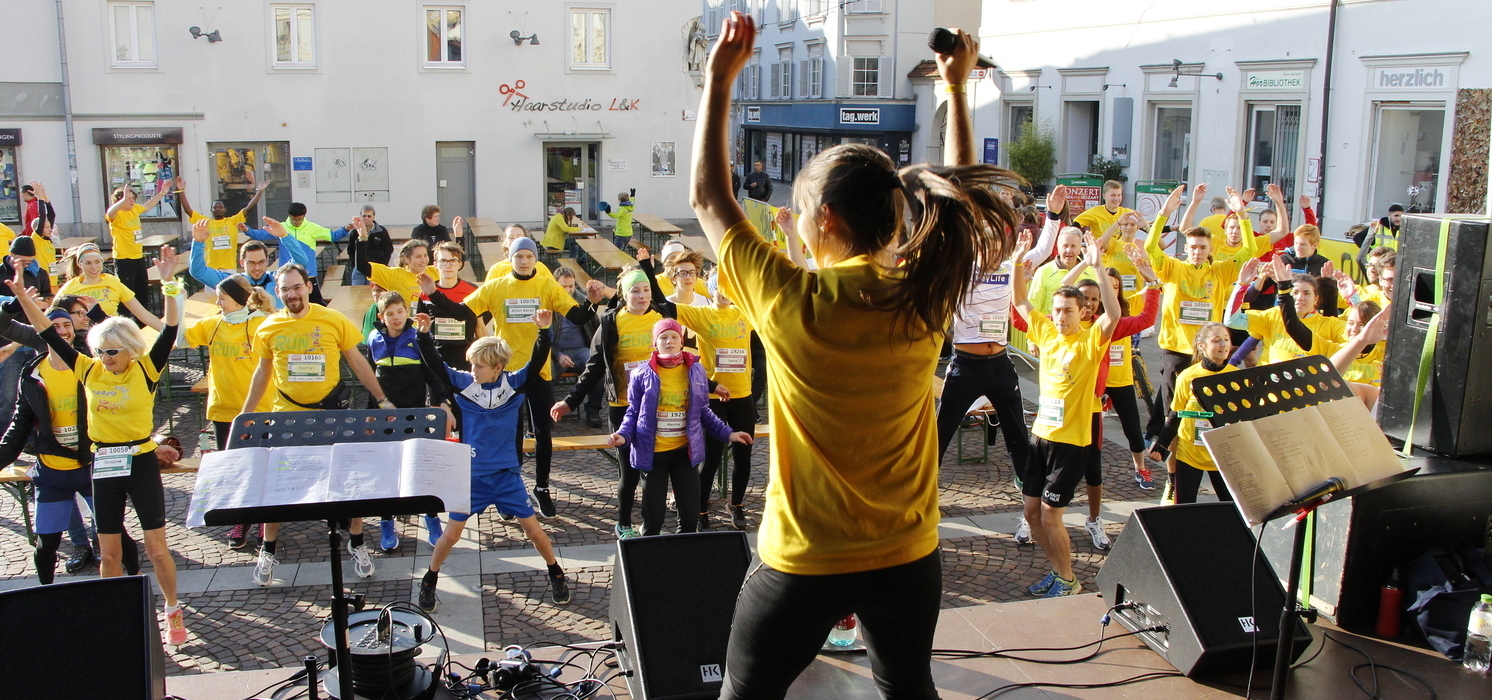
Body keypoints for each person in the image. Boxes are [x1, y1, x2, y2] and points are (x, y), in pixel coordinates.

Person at [693, 17, 1018, 697]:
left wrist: (719, 79)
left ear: (826, 221)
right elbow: (958, 205)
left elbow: (709, 199)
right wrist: (957, 88)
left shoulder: (790, 300)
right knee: (908, 688)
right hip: (906, 555)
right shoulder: (923, 295)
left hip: (803, 559)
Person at [9, 249, 189, 645]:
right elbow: (46, 332)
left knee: (157, 549)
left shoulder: (146, 368)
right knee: (108, 552)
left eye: (112, 351)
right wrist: (22, 296)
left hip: (140, 461)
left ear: (129, 349)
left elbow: (170, 330)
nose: (105, 358)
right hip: (104, 462)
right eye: (100, 350)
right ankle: (115, 614)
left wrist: (169, 283)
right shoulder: (88, 368)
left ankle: (172, 608)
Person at [427, 236, 604, 518]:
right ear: (510, 259)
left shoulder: (546, 285)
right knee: (511, 434)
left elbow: (578, 316)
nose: (523, 261)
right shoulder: (496, 286)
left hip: (538, 370)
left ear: (535, 260)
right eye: (518, 256)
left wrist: (593, 303)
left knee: (543, 431)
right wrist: (433, 294)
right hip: (505, 373)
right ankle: (510, 491)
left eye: (529, 256)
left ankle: (542, 487)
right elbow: (461, 313)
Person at [239, 263, 393, 586]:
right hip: (288, 416)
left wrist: (381, 398)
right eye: (285, 289)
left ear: (309, 287)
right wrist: (246, 414)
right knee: (279, 485)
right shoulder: (268, 327)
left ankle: (357, 543)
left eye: (297, 287)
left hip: (331, 414)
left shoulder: (333, 319)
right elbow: (262, 373)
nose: (292, 294)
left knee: (350, 482)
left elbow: (357, 361)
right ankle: (268, 549)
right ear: (277, 292)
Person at [413, 309, 572, 612]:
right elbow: (436, 365)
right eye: (472, 364)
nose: (473, 370)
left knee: (534, 531)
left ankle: (556, 572)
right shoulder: (465, 383)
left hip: (506, 476)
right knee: (451, 534)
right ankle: (430, 579)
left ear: (498, 367)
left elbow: (537, 361)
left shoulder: (514, 384)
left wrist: (544, 331)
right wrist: (423, 335)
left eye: (480, 365)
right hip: (472, 477)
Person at [1011, 230, 1121, 597]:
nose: (1060, 316)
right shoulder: (1045, 331)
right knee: (1031, 513)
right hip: (1041, 437)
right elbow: (1021, 300)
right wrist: (1017, 263)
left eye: (1068, 311)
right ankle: (1058, 572)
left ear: (1082, 312)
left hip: (1072, 443)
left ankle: (1069, 579)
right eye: (1057, 310)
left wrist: (1098, 267)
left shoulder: (1090, 340)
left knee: (1049, 514)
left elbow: (1114, 314)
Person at [1141, 185, 1262, 454]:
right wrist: (1164, 212)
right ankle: (1170, 455)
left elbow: (1249, 251)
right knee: (1174, 407)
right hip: (1176, 349)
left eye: (1202, 247)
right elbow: (1150, 247)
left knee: (1202, 403)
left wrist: (1242, 215)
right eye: (1193, 247)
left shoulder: (1219, 271)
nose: (1197, 251)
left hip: (1206, 352)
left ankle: (1202, 447)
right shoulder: (1174, 267)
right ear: (1186, 248)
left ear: (1210, 249)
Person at [609, 319, 752, 536]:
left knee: (689, 520)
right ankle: (650, 552)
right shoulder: (641, 374)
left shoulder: (696, 371)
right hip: (653, 456)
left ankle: (683, 554)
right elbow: (633, 413)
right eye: (663, 337)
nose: (669, 341)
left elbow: (704, 412)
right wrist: (623, 435)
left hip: (684, 454)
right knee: (654, 521)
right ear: (655, 343)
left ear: (681, 341)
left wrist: (728, 434)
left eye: (674, 337)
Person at [550, 269, 662, 537]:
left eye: (646, 290)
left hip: (659, 407)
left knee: (654, 469)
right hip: (624, 406)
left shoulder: (662, 318)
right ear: (624, 294)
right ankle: (624, 523)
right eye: (635, 291)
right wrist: (570, 401)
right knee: (629, 471)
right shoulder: (612, 322)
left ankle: (651, 525)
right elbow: (594, 367)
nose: (642, 296)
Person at [182, 273, 276, 549]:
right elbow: (179, 338)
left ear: (237, 300)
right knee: (234, 467)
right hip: (223, 410)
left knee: (262, 464)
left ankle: (265, 516)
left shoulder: (262, 323)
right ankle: (241, 518)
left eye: (221, 298)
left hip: (260, 409)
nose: (217, 303)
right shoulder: (213, 324)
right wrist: (174, 298)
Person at [365, 291, 450, 552]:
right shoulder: (373, 339)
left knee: (421, 469)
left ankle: (431, 517)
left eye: (400, 311)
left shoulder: (417, 337)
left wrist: (444, 401)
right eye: (390, 314)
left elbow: (433, 373)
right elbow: (370, 378)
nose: (396, 317)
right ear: (382, 317)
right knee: (387, 471)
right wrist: (370, 414)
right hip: (386, 417)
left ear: (407, 312)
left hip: (415, 415)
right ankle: (386, 521)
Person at [682, 274, 757, 531]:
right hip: (713, 398)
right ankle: (701, 510)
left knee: (744, 455)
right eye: (720, 288)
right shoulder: (701, 314)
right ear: (711, 290)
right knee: (711, 458)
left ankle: (737, 504)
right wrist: (648, 267)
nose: (725, 293)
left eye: (730, 287)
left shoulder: (745, 312)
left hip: (743, 396)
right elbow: (663, 306)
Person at [1149, 322, 1236, 504]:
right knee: (1184, 507)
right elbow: (1176, 415)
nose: (1223, 345)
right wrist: (1161, 444)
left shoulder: (1237, 376)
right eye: (1216, 340)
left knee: (1232, 507)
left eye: (1226, 339)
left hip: (1222, 454)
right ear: (1202, 346)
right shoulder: (1187, 376)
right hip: (1190, 454)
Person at [188, 216, 315, 309]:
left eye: (261, 262)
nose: (257, 268)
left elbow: (301, 262)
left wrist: (284, 236)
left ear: (267, 261)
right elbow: (198, 271)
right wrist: (198, 242)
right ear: (242, 262)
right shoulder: (232, 283)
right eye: (251, 263)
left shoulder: (277, 278)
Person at [177, 174, 270, 272]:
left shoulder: (233, 221)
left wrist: (260, 191)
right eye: (215, 207)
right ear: (211, 210)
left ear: (225, 210)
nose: (218, 209)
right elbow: (188, 210)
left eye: (221, 207)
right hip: (211, 268)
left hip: (229, 268)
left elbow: (248, 208)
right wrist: (181, 191)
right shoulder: (205, 222)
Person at [56, 244, 164, 327]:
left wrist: (169, 334)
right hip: (81, 339)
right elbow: (53, 315)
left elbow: (144, 314)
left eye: (97, 262)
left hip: (110, 334)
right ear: (80, 264)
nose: (94, 267)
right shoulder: (69, 287)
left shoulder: (113, 283)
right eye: (88, 263)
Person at [104, 184, 172, 304]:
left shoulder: (134, 209)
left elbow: (147, 206)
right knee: (127, 295)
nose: (132, 201)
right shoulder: (117, 214)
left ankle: (143, 315)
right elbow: (109, 213)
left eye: (132, 198)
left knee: (142, 293)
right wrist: (123, 200)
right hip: (124, 259)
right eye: (128, 198)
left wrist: (162, 193)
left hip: (138, 257)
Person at [552, 267, 603, 428]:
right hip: (555, 352)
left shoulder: (583, 302)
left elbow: (596, 327)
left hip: (581, 350)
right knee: (544, 374)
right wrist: (558, 355)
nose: (568, 290)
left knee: (597, 370)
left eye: (571, 286)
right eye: (563, 287)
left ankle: (593, 411)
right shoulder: (549, 302)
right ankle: (548, 412)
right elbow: (543, 337)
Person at [425, 242, 484, 370]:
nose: (448, 265)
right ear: (435, 265)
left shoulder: (472, 291)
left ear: (460, 264)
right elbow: (420, 328)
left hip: (466, 359)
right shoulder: (425, 292)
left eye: (453, 261)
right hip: (437, 360)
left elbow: (480, 327)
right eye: (443, 261)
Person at [350, 220, 435, 307]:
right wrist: (363, 238)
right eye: (418, 256)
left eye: (425, 255)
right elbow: (362, 266)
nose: (423, 260)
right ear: (407, 259)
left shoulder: (435, 272)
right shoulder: (394, 275)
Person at [485, 225, 557, 282]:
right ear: (505, 243)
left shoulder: (540, 267)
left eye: (519, 237)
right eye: (511, 237)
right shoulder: (496, 269)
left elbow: (554, 290)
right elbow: (487, 293)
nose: (515, 240)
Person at [341, 206, 391, 285]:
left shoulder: (382, 231)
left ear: (373, 217)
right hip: (359, 269)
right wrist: (354, 264)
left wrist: (383, 264)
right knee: (356, 290)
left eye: (369, 216)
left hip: (375, 268)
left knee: (372, 290)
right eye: (364, 216)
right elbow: (351, 250)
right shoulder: (355, 232)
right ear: (361, 217)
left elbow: (388, 249)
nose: (366, 218)